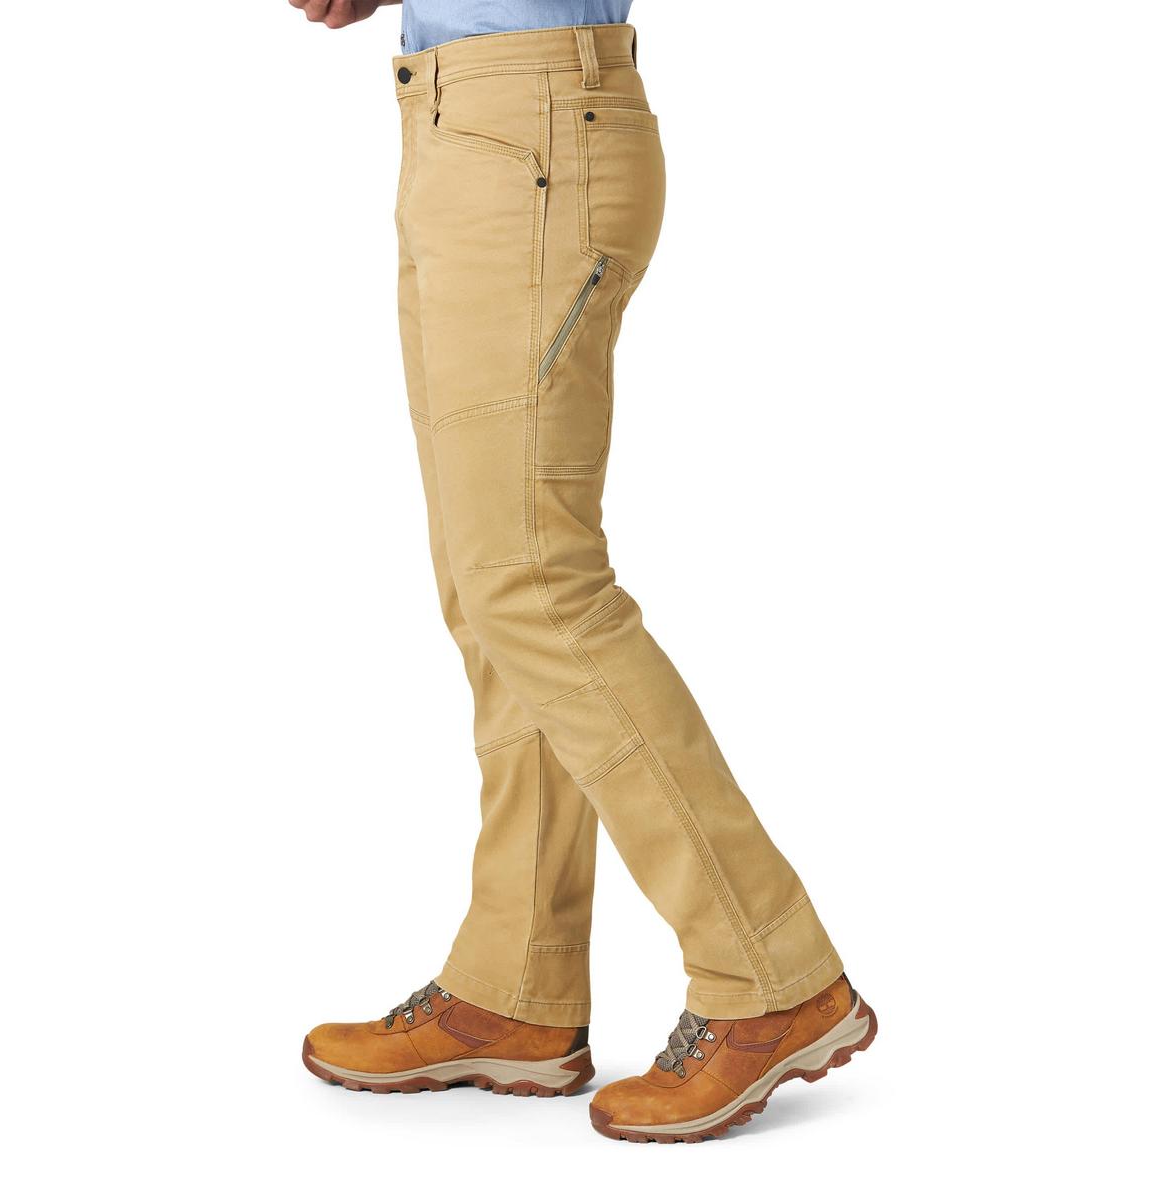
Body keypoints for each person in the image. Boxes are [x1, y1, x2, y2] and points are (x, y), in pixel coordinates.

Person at [291, 0, 875, 1143]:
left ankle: (770, 973)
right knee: (487, 591)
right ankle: (517, 985)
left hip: (528, 128)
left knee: (533, 584)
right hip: (467, 115)